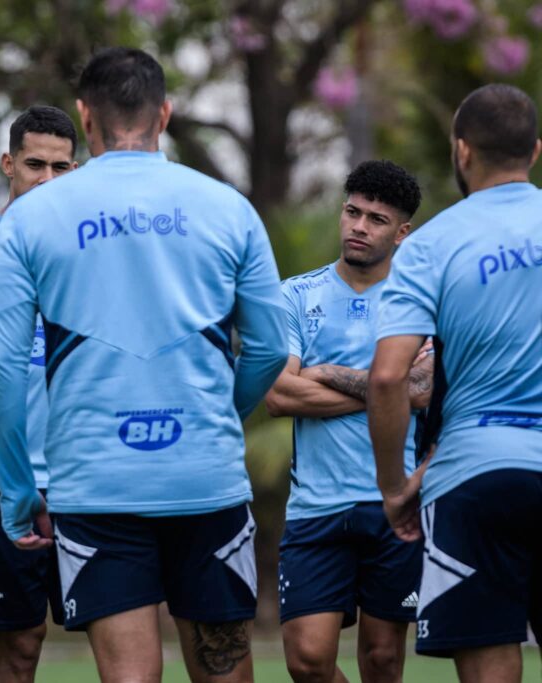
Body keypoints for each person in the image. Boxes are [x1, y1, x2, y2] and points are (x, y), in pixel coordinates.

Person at [0, 47, 289, 683]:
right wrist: (217, 414)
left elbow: (5, 370)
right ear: (165, 114)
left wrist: (16, 490)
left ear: (85, 117)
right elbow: (269, 349)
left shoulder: (33, 217)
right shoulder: (229, 207)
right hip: (204, 479)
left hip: (96, 485)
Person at [368, 83, 542, 683]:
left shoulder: (433, 243)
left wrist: (395, 487)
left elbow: (389, 376)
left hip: (474, 474)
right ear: (536, 151)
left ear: (461, 151)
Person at [265, 160, 430, 683]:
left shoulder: (420, 301)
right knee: (307, 661)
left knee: (382, 661)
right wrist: (387, 390)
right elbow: (276, 392)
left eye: (377, 220)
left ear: (402, 232)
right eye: (352, 212)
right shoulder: (295, 294)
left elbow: (424, 392)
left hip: (395, 503)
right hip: (316, 506)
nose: (359, 226)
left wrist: (331, 372)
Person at [0, 104, 78, 683]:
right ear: (8, 163)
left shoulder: (95, 251)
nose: (48, 180)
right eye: (34, 165)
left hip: (88, 481)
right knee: (20, 648)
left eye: (62, 167)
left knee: (118, 643)